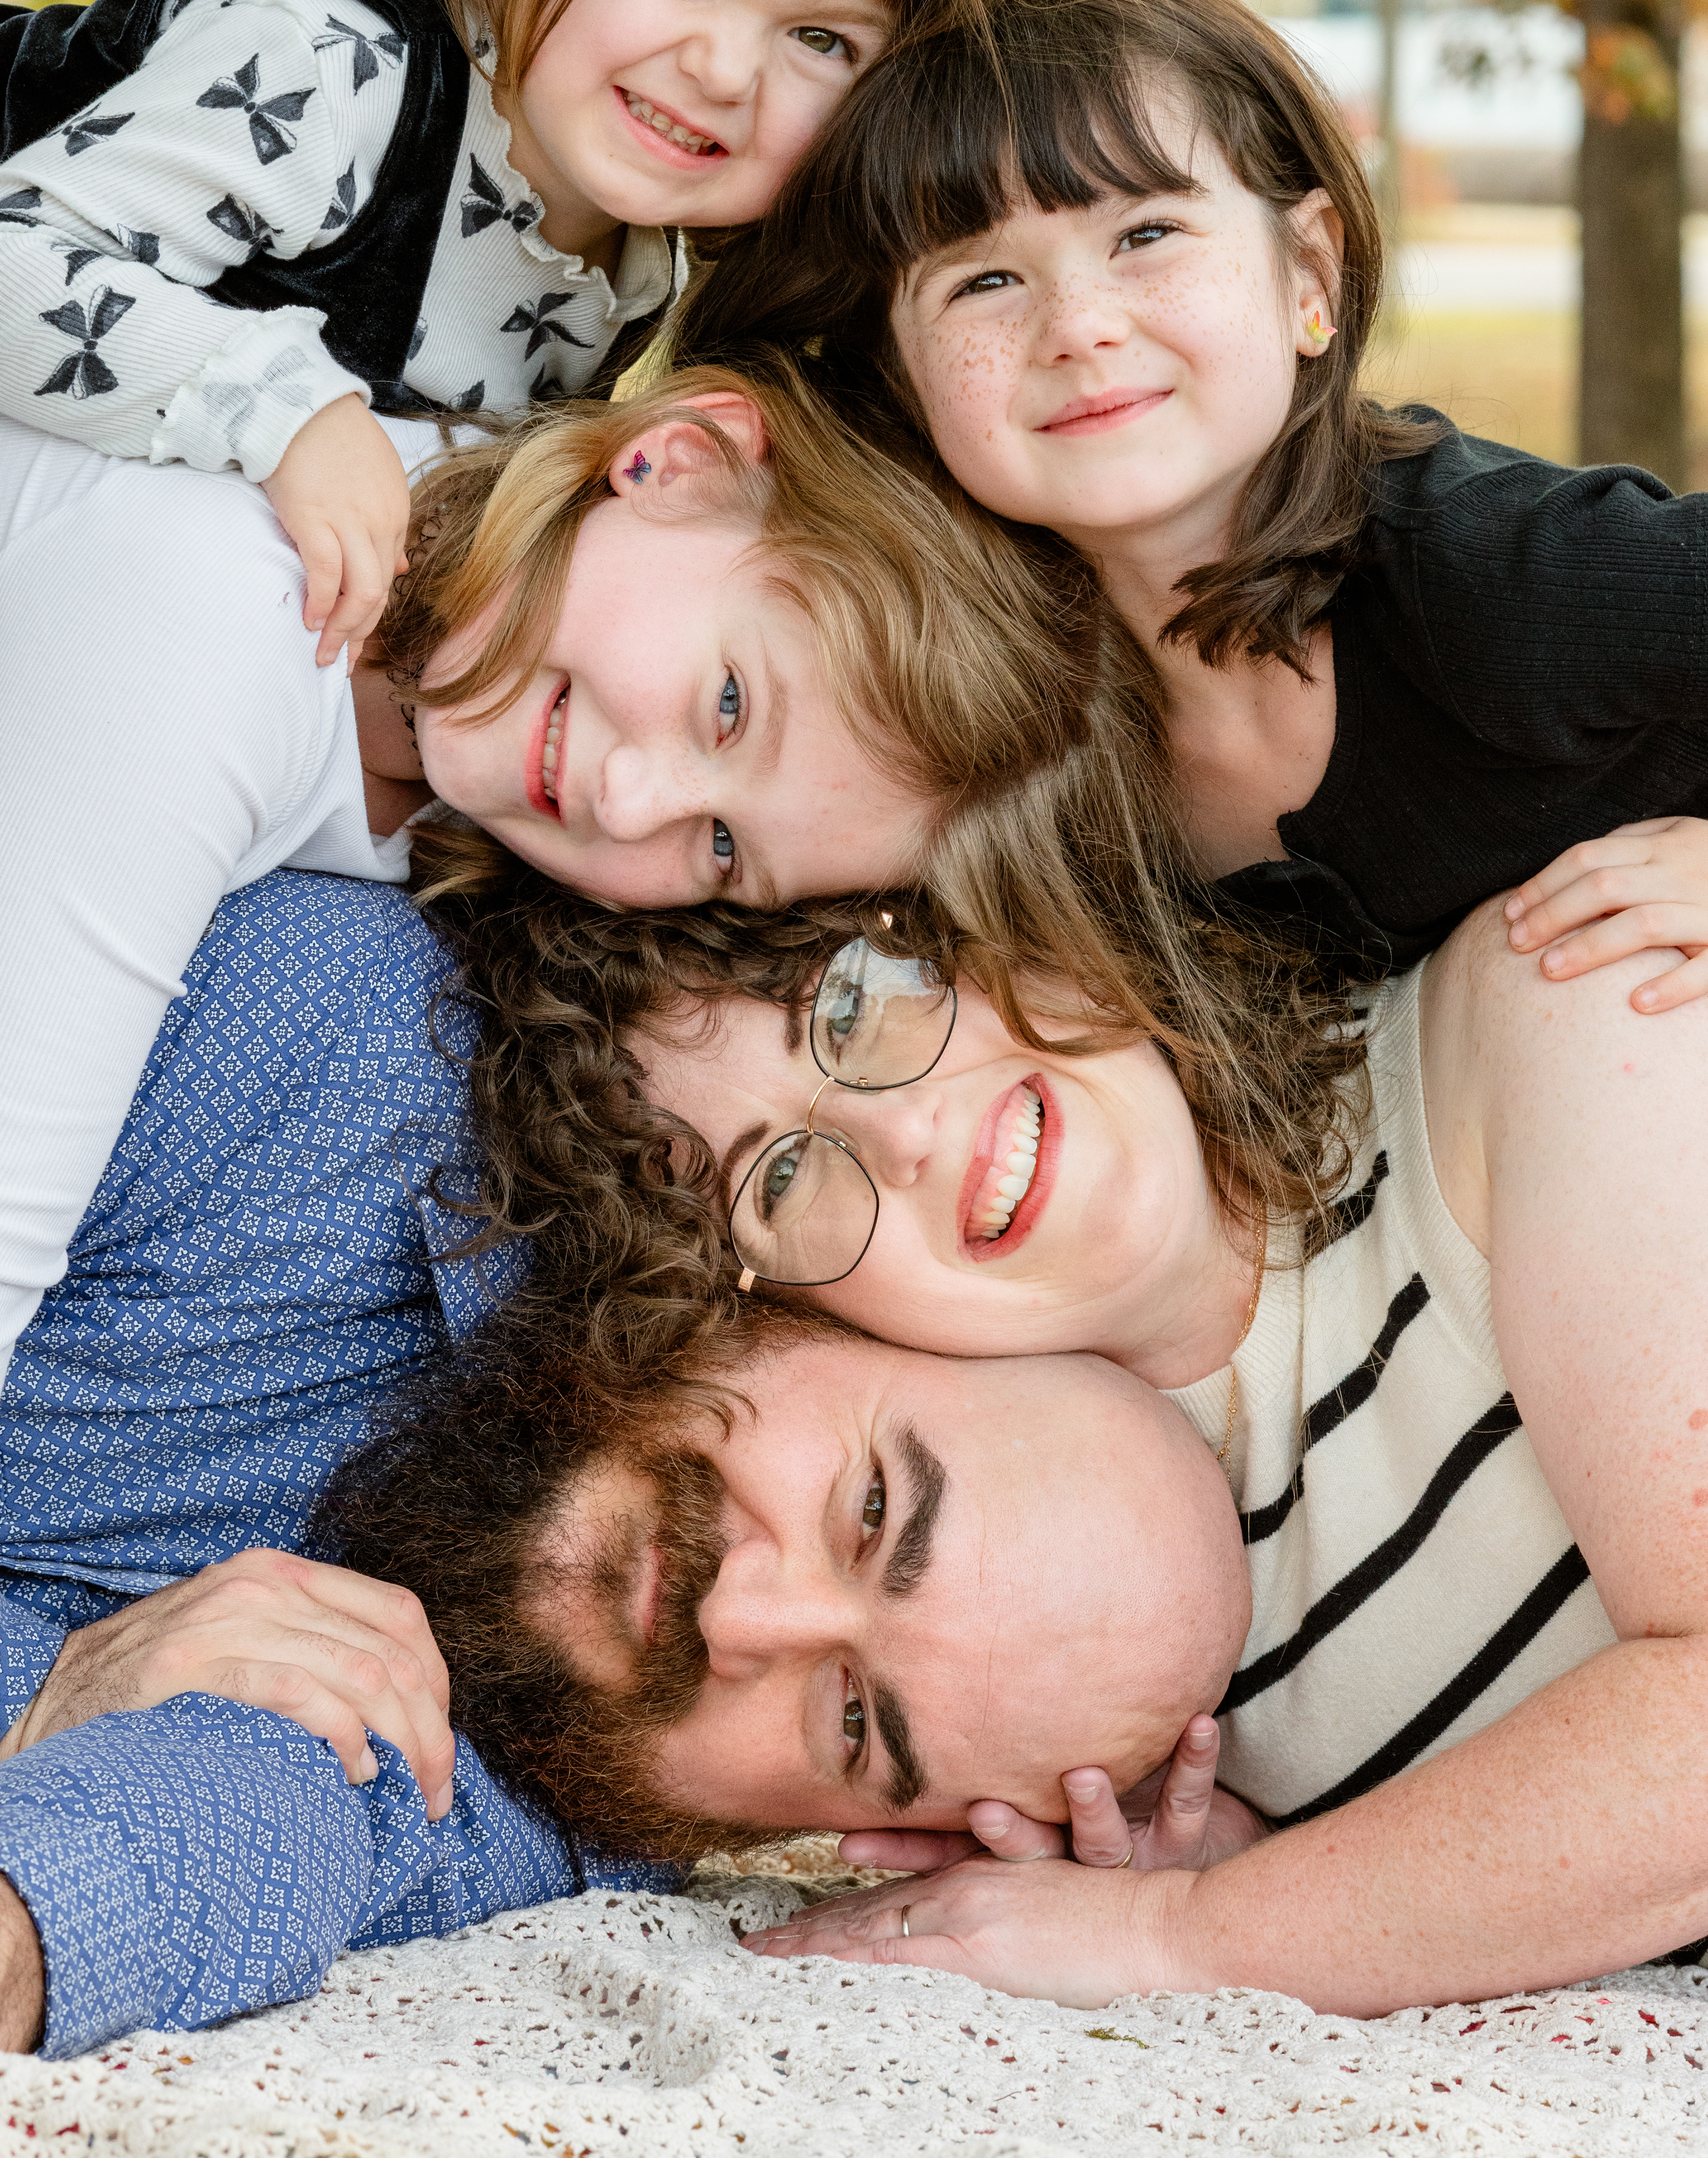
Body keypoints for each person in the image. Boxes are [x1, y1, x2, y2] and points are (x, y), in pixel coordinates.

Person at [440, 874, 1708, 2010]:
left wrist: (1198, 1930)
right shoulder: (1060, 1601)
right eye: (789, 1180)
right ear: (768, 1323)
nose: (911, 1135)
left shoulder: (1558, 1013)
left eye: (864, 1003)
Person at [0, 871, 1246, 2057]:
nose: (742, 1616)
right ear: (818, 1320)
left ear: (856, 1833)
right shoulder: (340, 1064)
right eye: (870, 1509)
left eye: (853, 1719)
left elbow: (236, 1829)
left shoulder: (548, 1786)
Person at [670, 0, 1708, 1030]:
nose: (1080, 326)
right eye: (982, 283)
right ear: (904, 381)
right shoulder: (1037, 712)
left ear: (1308, 275)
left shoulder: (1484, 577)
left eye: (1144, 236)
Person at [0, 356, 1157, 1381]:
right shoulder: (211, 636)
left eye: (722, 851)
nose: (628, 801)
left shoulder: (445, 714)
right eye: (729, 704)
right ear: (678, 463)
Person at [0, 0, 1053, 666]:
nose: (725, 69)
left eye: (821, 37)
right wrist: (283, 414)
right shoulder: (326, 69)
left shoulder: (637, 257)